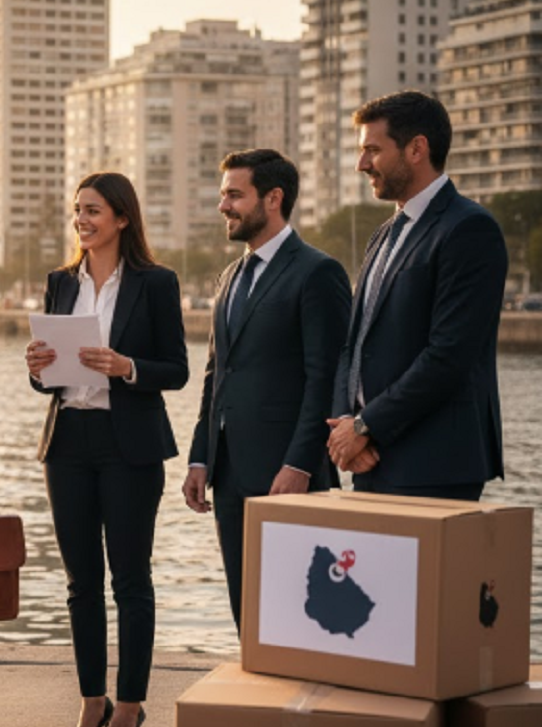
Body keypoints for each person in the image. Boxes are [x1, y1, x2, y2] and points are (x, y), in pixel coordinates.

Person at [25, 172, 187, 727]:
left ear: (121, 217)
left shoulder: (156, 282)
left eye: (93, 210)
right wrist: (38, 366)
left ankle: (130, 706)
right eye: (78, 210)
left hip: (129, 445)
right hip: (67, 441)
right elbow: (47, 379)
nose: (82, 220)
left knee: (130, 580)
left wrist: (127, 367)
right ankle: (92, 701)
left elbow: (176, 368)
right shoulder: (60, 282)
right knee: (80, 583)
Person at [182, 150, 351, 632]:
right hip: (229, 474)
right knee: (248, 611)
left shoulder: (318, 272)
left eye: (235, 195)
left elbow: (325, 379)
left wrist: (300, 464)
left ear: (273, 199)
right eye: (223, 195)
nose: (223, 206)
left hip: (289, 474)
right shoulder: (230, 277)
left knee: (300, 614)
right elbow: (216, 374)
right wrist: (200, 457)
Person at [327, 91, 508, 499]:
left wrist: (366, 425)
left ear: (416, 149)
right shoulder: (383, 234)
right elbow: (354, 343)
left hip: (434, 463)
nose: (361, 164)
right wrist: (345, 428)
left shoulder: (469, 229)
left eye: (373, 150)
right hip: (368, 458)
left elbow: (449, 355)